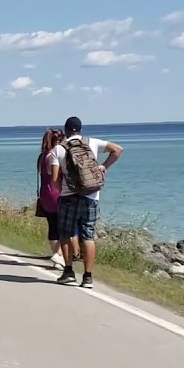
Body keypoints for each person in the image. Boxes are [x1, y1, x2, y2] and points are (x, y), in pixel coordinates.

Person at [48, 116, 123, 288]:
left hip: (68, 197)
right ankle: (88, 277)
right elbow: (118, 149)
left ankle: (68, 272)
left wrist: (63, 188)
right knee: (88, 235)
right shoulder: (92, 143)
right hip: (91, 196)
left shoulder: (58, 149)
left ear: (66, 130)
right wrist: (103, 166)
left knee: (66, 234)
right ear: (80, 129)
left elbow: (54, 180)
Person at [36, 128, 65, 269]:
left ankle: (57, 254)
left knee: (52, 225)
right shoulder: (54, 156)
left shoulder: (42, 156)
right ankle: (59, 255)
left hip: (45, 193)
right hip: (56, 193)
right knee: (63, 226)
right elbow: (57, 175)